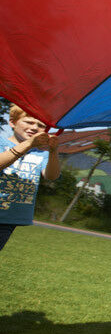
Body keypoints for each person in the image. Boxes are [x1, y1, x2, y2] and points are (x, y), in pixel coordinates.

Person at [1, 105, 61, 251]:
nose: (34, 128)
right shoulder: (2, 143)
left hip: (9, 218)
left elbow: (51, 175)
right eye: (29, 122)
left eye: (41, 126)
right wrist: (28, 144)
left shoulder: (41, 154)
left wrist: (53, 151)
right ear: (12, 122)